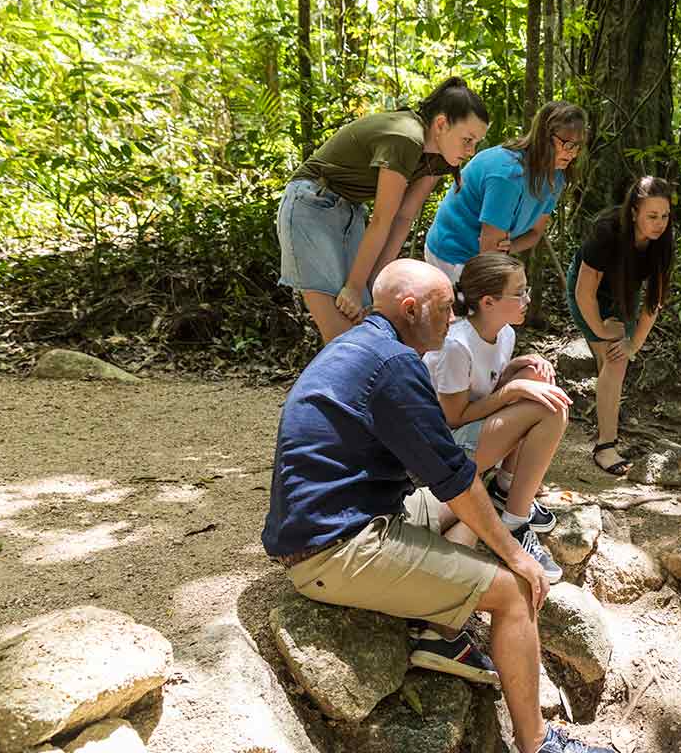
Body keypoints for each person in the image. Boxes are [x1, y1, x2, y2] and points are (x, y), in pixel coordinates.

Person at [261, 259, 612, 753]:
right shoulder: (394, 365)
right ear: (411, 309)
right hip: (337, 548)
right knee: (514, 592)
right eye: (446, 307)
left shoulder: (363, 346)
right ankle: (538, 744)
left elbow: (451, 476)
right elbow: (451, 478)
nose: (454, 317)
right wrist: (515, 555)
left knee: (474, 499)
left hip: (353, 519)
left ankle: (441, 632)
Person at [277, 77, 490, 342]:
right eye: (467, 140)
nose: (471, 151)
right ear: (441, 124)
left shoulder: (439, 158)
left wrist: (371, 282)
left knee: (364, 315)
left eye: (476, 143)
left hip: (349, 210)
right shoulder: (405, 137)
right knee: (339, 332)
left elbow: (403, 217)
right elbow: (382, 219)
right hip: (310, 204)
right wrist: (354, 287)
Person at [422, 253, 569, 583]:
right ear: (488, 301)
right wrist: (513, 390)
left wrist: (518, 372)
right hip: (443, 454)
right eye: (519, 292)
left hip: (473, 437)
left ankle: (505, 488)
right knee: (551, 408)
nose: (527, 299)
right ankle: (514, 522)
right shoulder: (455, 346)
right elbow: (453, 419)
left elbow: (487, 391)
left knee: (536, 377)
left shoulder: (505, 334)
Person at [565, 176, 675, 474]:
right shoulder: (607, 232)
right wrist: (601, 330)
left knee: (616, 359)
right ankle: (606, 445)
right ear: (633, 212)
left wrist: (632, 344)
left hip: (625, 292)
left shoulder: (663, 242)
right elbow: (583, 292)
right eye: (652, 216)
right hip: (587, 289)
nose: (660, 223)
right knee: (612, 360)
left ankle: (606, 427)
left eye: (664, 216)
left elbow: (653, 302)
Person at [423, 101, 587, 283]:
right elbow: (489, 254)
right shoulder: (508, 175)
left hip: (486, 254)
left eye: (577, 146)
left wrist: (510, 247)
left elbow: (535, 233)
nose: (573, 154)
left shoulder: (555, 176)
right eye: (568, 145)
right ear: (545, 138)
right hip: (452, 254)